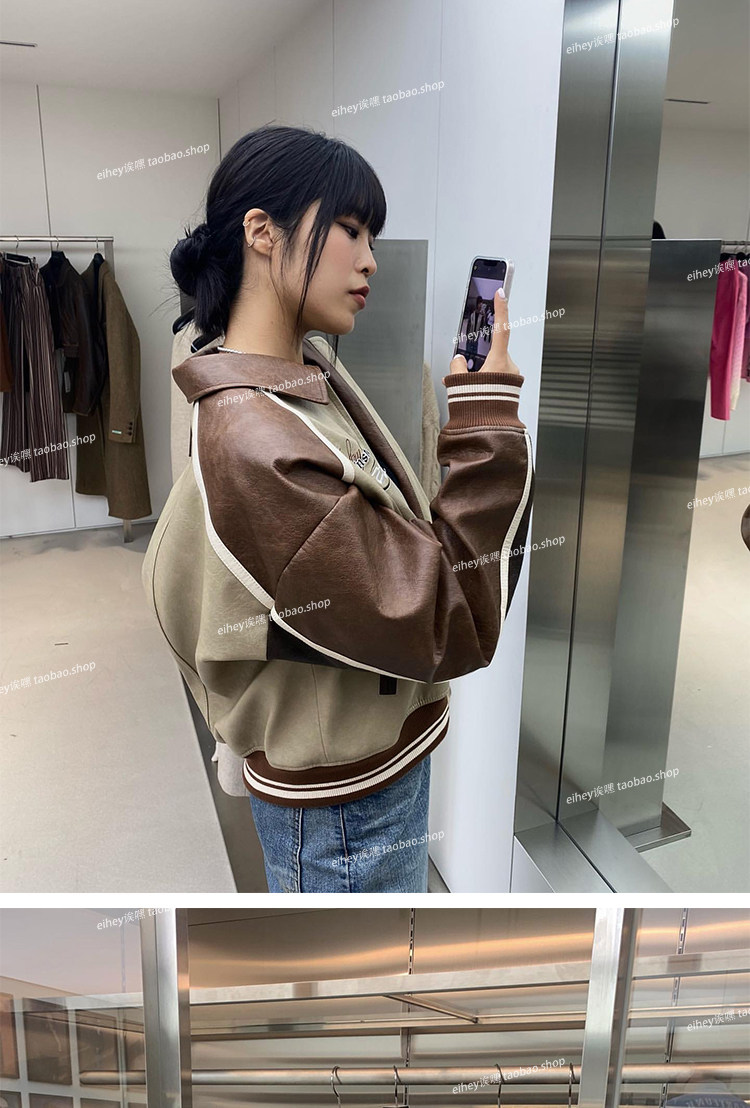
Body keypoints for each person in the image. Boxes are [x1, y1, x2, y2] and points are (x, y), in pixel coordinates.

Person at [142, 124, 534, 892]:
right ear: (262, 232)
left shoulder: (293, 374)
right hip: (346, 810)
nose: (370, 259)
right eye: (350, 229)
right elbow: (446, 619)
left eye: (371, 237)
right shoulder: (261, 439)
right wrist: (486, 419)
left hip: (357, 773)